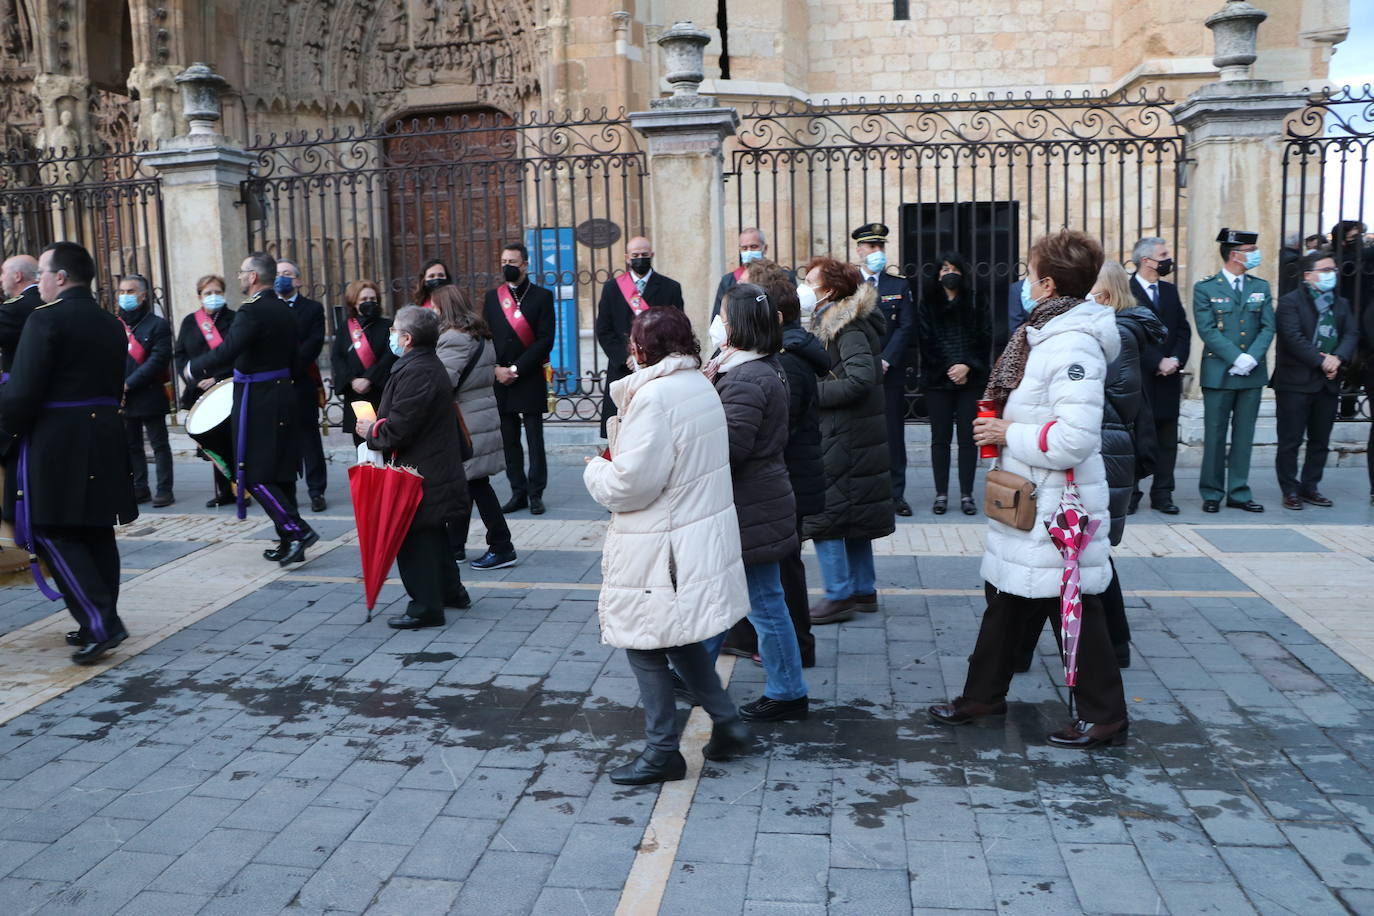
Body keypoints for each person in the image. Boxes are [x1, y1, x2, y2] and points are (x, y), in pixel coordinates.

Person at [929, 229, 1128, 750]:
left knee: (1075, 607)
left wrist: (1005, 433)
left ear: (1047, 282)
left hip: (1057, 502)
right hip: (1029, 497)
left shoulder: (1073, 344)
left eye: (1028, 271)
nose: (1023, 281)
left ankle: (1104, 715)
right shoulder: (1041, 333)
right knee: (1010, 599)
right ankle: (983, 696)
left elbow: (1076, 437)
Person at [584, 306, 751, 785]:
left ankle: (662, 753)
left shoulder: (656, 397)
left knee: (644, 643)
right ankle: (729, 722)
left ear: (642, 348)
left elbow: (632, 484)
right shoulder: (697, 383)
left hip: (664, 543)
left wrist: (596, 470)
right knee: (676, 639)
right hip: (689, 535)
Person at [0, 241, 137, 664]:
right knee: (95, 528)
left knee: (49, 528)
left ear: (60, 277)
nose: (37, 281)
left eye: (42, 272)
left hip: (58, 438)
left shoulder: (46, 320)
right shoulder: (110, 322)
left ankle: (101, 623)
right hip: (104, 434)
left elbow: (23, 393)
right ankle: (100, 618)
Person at [707, 283, 809, 721]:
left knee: (765, 601)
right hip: (757, 499)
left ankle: (788, 691)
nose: (720, 324)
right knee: (726, 591)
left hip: (752, 503)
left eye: (726, 317)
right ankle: (694, 669)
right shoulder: (754, 367)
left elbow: (731, 446)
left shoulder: (748, 376)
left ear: (741, 326)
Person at [720, 260, 826, 669]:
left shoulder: (763, 370)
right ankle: (742, 652)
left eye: (727, 317)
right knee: (767, 586)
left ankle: (791, 667)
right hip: (774, 485)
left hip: (774, 487)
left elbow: (744, 440)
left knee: (775, 586)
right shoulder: (757, 365)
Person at [187, 253, 319, 565]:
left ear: (254, 277)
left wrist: (195, 368)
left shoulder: (252, 311)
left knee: (255, 473)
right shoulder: (284, 309)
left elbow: (229, 349)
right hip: (283, 394)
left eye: (242, 272)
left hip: (259, 400)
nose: (239, 277)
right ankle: (289, 541)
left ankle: (297, 530)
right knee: (281, 473)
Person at [359, 306, 471, 629]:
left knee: (412, 538)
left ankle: (425, 607)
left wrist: (371, 432)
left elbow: (400, 428)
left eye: (394, 331)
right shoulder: (419, 364)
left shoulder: (418, 371)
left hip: (421, 471)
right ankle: (451, 592)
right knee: (432, 534)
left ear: (406, 339)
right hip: (428, 467)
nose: (390, 335)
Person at [802, 256, 895, 626]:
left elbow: (860, 380)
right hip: (851, 433)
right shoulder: (838, 321)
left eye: (810, 281)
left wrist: (812, 391)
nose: (805, 287)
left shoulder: (848, 326)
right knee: (853, 515)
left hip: (845, 434)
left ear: (830, 289)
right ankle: (862, 590)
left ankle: (839, 594)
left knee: (826, 515)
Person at [430, 284, 515, 569]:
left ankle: (502, 545)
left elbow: (444, 382)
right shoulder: (480, 334)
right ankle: (456, 546)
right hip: (480, 417)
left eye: (435, 306)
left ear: (445, 308)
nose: (433, 311)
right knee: (465, 484)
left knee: (476, 484)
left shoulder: (453, 338)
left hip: (466, 421)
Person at [1194, 228, 1275, 514]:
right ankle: (1212, 492)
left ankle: (1239, 491)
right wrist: (1236, 357)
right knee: (1215, 435)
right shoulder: (1206, 288)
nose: (1255, 255)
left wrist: (1251, 358)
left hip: (1252, 372)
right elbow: (1206, 329)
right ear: (1234, 254)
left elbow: (1268, 326)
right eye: (1250, 250)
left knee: (1244, 435)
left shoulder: (1261, 287)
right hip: (1219, 372)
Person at [1272, 252, 1357, 510]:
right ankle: (1290, 489)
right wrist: (1323, 362)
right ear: (1308, 275)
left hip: (1327, 383)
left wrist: (1338, 359)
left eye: (1334, 269)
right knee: (1290, 440)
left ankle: (1310, 486)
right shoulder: (1290, 303)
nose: (1333, 273)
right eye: (1326, 269)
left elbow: (1351, 333)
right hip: (1295, 383)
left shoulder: (1340, 303)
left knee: (1320, 440)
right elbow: (1293, 337)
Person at [917, 251, 991, 516]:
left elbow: (985, 337)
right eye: (944, 268)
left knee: (968, 439)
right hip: (938, 380)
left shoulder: (976, 300)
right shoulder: (928, 303)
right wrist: (949, 369)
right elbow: (926, 341)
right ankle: (941, 494)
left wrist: (967, 366)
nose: (950, 273)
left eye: (954, 268)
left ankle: (967, 495)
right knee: (940, 439)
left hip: (971, 380)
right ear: (937, 274)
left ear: (962, 272)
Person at [484, 242, 556, 516]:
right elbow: (485, 337)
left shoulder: (542, 296)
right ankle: (518, 492)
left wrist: (516, 369)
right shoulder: (493, 298)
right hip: (500, 379)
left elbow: (545, 340)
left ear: (525, 265)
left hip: (528, 377)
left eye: (512, 261)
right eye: (504, 261)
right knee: (509, 440)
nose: (507, 266)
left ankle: (536, 493)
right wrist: (496, 369)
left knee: (535, 440)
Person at [853, 222, 916, 516]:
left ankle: (895, 495)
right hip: (856, 371)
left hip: (889, 371)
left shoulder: (898, 285)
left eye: (881, 247)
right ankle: (862, 494)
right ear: (859, 250)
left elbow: (906, 327)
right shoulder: (848, 285)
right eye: (871, 247)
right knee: (858, 431)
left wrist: (887, 359)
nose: (877, 252)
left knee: (892, 433)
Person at [594, 236, 684, 436]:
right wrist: (625, 357)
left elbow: (677, 329)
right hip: (623, 369)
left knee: (656, 428)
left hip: (658, 369)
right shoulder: (612, 288)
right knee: (622, 429)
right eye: (635, 255)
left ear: (651, 255)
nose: (640, 259)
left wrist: (656, 358)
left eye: (644, 255)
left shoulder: (670, 288)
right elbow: (604, 329)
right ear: (627, 257)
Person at [1127, 236, 1189, 515]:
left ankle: (1163, 493)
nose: (1168, 259)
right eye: (1163, 254)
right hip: (1140, 377)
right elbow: (1129, 334)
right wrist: (1157, 361)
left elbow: (1182, 330)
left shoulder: (1170, 291)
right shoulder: (1126, 291)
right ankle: (1130, 492)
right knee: (1135, 436)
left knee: (1167, 439)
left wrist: (1175, 359)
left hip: (1169, 377)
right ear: (1146, 260)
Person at [174, 275, 238, 506]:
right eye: (208, 293)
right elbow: (180, 355)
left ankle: (242, 488)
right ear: (199, 296)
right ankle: (223, 491)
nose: (213, 297)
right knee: (211, 441)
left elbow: (237, 353)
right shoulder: (190, 322)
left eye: (217, 292)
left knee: (232, 439)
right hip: (198, 390)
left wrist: (217, 378)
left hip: (225, 387)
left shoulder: (234, 319)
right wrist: (193, 381)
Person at [116, 274, 174, 507]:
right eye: (121, 292)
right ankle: (140, 487)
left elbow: (158, 360)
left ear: (142, 295)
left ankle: (164, 489)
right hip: (123, 397)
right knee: (132, 445)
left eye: (130, 292)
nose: (125, 296)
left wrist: (129, 383)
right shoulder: (115, 325)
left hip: (149, 393)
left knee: (159, 444)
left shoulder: (157, 325)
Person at [275, 258, 328, 512]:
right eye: (277, 274)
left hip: (302, 381)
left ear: (297, 280)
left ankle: (317, 490)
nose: (282, 278)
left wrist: (288, 368)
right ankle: (287, 492)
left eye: (287, 273)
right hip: (275, 385)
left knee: (309, 438)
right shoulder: (268, 307)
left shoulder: (312, 309)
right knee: (282, 440)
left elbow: (314, 343)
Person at [331, 279, 396, 447]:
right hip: (356, 395)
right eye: (364, 300)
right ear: (354, 303)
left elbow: (389, 356)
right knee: (361, 444)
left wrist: (369, 378)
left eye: (373, 299)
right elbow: (337, 357)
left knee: (384, 439)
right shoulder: (345, 328)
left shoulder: (387, 325)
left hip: (380, 391)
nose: (369, 303)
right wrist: (352, 380)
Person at [711, 227, 771, 318]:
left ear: (765, 248)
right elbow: (718, 318)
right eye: (744, 248)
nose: (749, 251)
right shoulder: (728, 281)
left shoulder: (782, 277)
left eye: (754, 246)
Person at [0, 254, 42, 375]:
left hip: (23, 382)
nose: (1, 279)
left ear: (17, 276)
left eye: (3, 273)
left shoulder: (13, 309)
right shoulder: (50, 299)